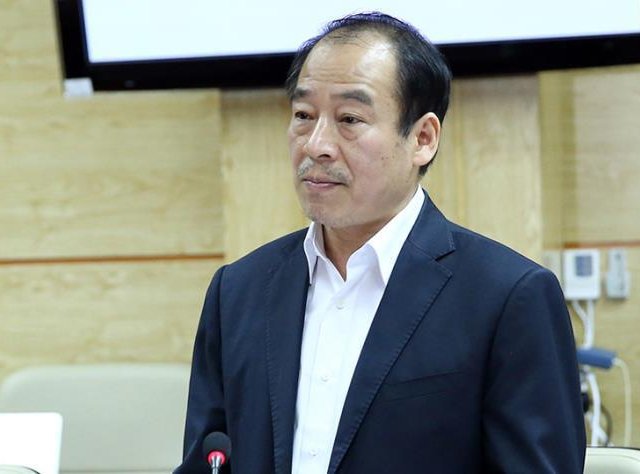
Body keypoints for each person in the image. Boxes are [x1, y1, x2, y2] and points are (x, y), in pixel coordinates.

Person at [175, 12, 585, 474]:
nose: (316, 145)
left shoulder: (508, 297)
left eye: (349, 119)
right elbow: (209, 459)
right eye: (303, 116)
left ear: (422, 139)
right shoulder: (238, 291)